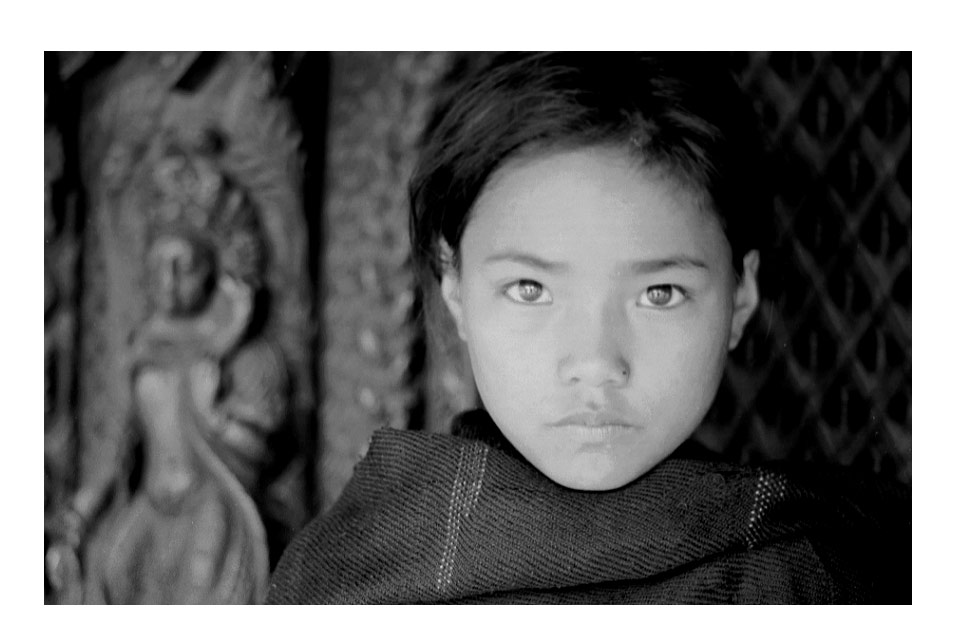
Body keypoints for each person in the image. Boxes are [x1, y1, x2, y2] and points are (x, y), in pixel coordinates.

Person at [266, 52, 911, 604]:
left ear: (740, 298)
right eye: (530, 289)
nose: (596, 361)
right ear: (454, 287)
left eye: (660, 294)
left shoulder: (816, 577)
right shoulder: (344, 575)